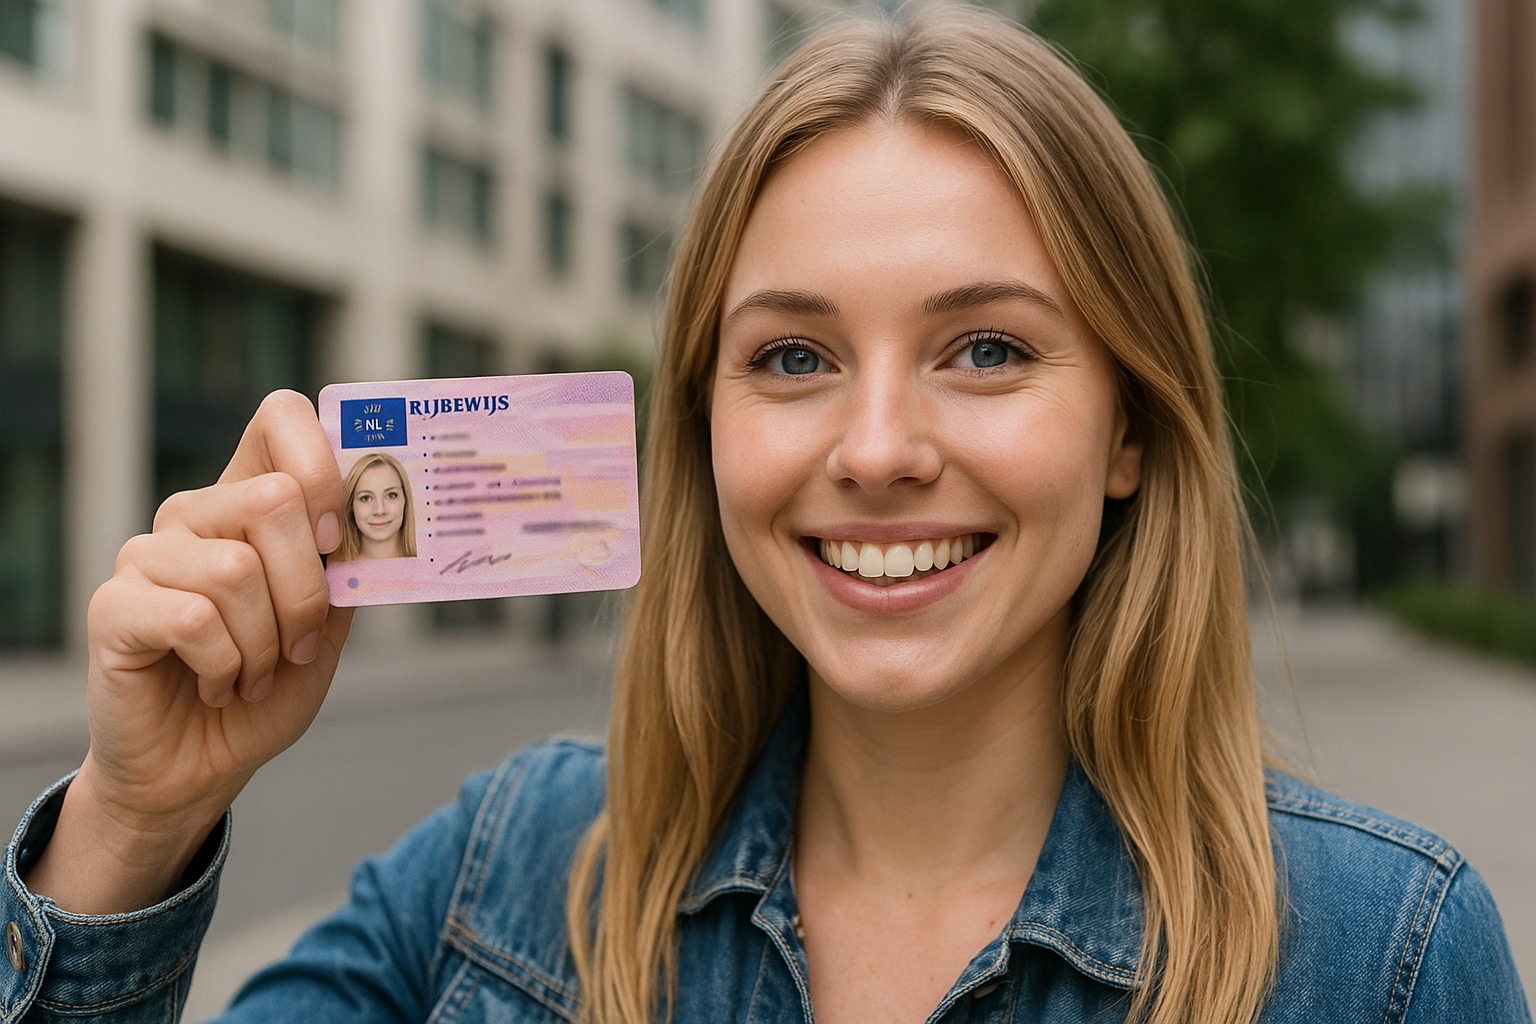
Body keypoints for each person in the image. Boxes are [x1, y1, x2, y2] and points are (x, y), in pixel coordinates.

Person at [3, 8, 1529, 1024]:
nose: (874, 449)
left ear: (1128, 425)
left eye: (985, 348)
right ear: (706, 424)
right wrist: (135, 826)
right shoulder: (500, 881)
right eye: (792, 356)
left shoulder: (1382, 954)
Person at [333, 452, 418, 561]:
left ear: (405, 501)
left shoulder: (431, 564)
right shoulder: (332, 568)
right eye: (366, 498)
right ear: (351, 507)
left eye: (391, 495)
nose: (380, 510)